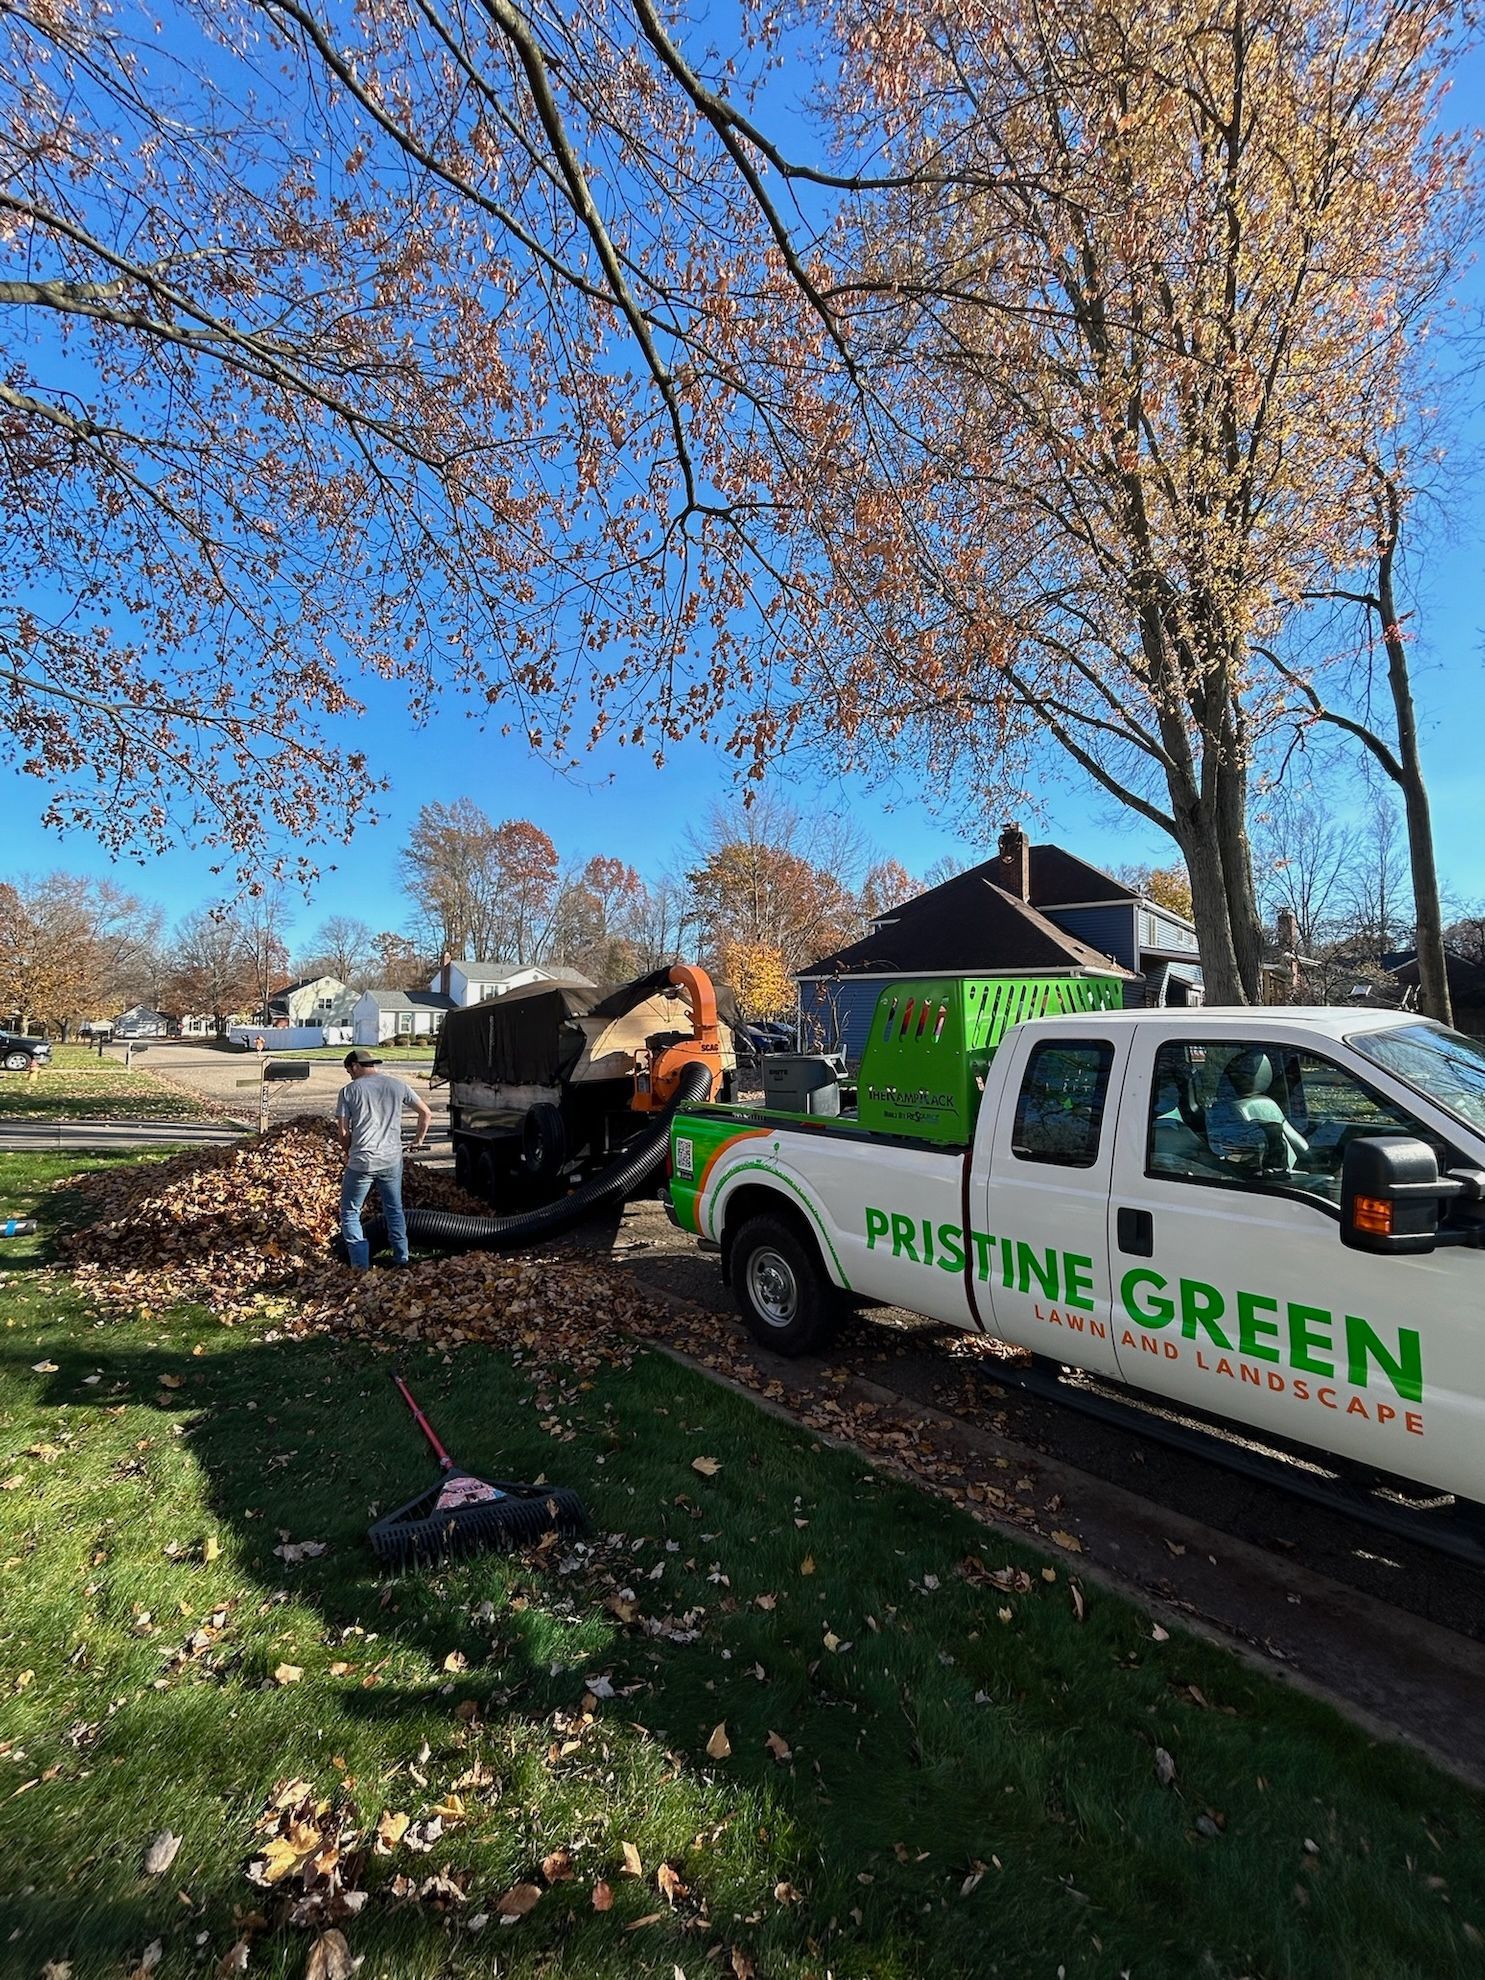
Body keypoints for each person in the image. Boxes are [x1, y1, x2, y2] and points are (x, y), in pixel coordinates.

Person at [336, 1048, 433, 1268]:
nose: (350, 1076)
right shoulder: (397, 1085)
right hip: (391, 1160)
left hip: (362, 1161)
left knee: (350, 1212)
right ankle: (402, 1258)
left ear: (355, 1066)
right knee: (394, 1209)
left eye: (349, 1071)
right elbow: (426, 1113)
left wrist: (347, 1152)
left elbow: (343, 1132)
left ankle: (360, 1266)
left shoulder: (349, 1091)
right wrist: (418, 1140)